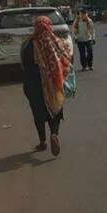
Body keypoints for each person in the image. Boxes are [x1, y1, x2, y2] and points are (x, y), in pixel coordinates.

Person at [21, 15, 73, 156]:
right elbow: (68, 58)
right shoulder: (57, 42)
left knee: (38, 112)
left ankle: (43, 141)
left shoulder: (27, 44)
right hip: (53, 83)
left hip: (33, 85)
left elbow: (23, 65)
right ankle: (54, 133)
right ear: (49, 26)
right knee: (55, 109)